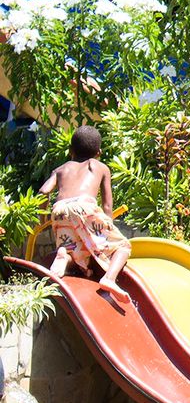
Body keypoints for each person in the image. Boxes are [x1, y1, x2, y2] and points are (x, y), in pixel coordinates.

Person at [42, 126, 131, 304]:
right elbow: (107, 205)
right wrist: (108, 227)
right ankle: (109, 279)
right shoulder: (99, 167)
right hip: (84, 206)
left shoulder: (61, 169)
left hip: (59, 209)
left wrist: (43, 218)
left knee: (75, 253)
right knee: (123, 246)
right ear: (99, 152)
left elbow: (44, 191)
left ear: (70, 151)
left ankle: (64, 256)